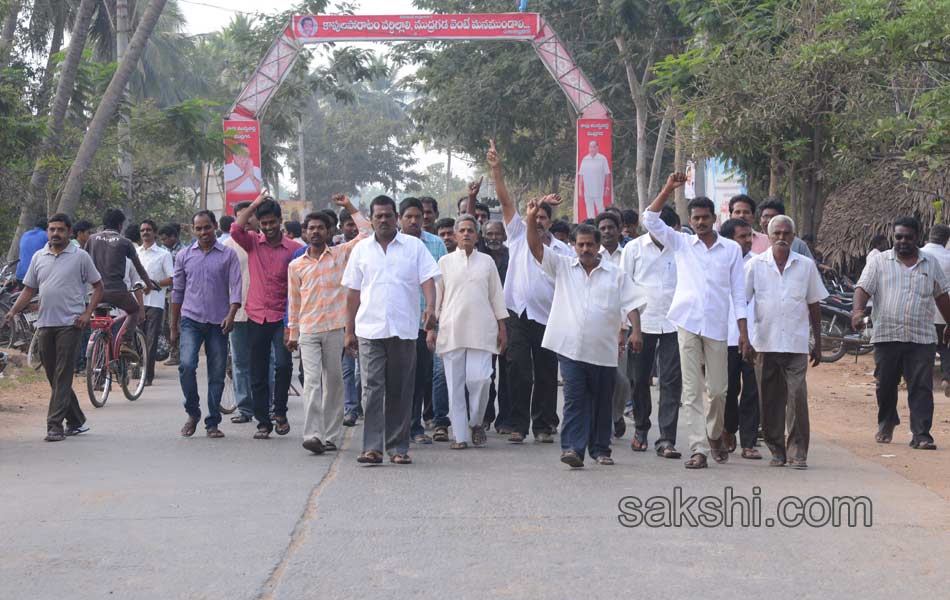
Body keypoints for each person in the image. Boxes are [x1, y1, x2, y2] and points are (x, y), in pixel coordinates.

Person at [525, 198, 644, 467]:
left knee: (602, 402)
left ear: (599, 245)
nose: (586, 249)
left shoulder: (616, 274)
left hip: (603, 350)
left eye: (590, 244)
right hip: (570, 349)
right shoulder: (563, 267)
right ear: (574, 246)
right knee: (575, 400)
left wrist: (636, 332)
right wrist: (532, 218)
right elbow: (534, 246)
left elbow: (633, 303)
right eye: (581, 245)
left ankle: (601, 450)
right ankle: (573, 449)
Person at [643, 173, 750, 469]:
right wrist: (667, 188)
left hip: (718, 326)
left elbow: (739, 294)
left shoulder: (730, 250)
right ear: (690, 220)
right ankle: (698, 448)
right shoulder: (682, 244)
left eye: (705, 217)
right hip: (687, 322)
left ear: (714, 218)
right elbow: (649, 219)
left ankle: (714, 434)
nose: (700, 222)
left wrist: (743, 333)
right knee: (691, 391)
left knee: (718, 391)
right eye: (695, 218)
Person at [342, 195, 440, 465]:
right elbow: (352, 293)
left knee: (400, 388)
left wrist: (431, 307)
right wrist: (348, 331)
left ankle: (398, 447)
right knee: (372, 388)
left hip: (404, 329)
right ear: (371, 220)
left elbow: (428, 280)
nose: (383, 220)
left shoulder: (414, 247)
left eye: (388, 215)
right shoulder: (361, 250)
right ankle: (372, 448)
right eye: (378, 216)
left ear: (396, 217)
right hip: (369, 330)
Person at [490, 139, 572, 444]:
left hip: (551, 318)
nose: (537, 222)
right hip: (516, 315)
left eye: (542, 218)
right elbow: (505, 202)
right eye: (534, 216)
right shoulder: (517, 236)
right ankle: (518, 424)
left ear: (550, 222)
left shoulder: (564, 251)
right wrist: (496, 169)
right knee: (519, 370)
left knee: (548, 373)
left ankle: (543, 425)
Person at [853, 217, 950, 451]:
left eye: (908, 236)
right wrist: (857, 311)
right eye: (899, 237)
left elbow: (942, 295)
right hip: (887, 333)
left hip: (921, 337)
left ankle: (922, 434)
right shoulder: (879, 262)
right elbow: (863, 287)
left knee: (921, 386)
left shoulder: (931, 264)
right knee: (885, 384)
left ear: (918, 237)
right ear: (893, 237)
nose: (903, 241)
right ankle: (887, 421)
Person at [4, 214, 103, 441]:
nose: (55, 233)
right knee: (52, 375)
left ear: (69, 232)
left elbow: (98, 287)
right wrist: (12, 311)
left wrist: (87, 313)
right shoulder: (39, 257)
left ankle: (55, 425)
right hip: (45, 324)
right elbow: (29, 290)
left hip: (71, 323)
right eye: (51, 229)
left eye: (60, 229)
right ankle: (76, 419)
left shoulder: (81, 257)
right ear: (47, 232)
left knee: (62, 373)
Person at [287, 195, 370, 454]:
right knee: (312, 382)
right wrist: (292, 332)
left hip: (335, 329)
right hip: (309, 330)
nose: (315, 232)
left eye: (320, 228)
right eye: (311, 228)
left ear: (329, 231)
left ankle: (331, 436)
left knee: (334, 382)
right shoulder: (296, 265)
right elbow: (294, 301)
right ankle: (312, 434)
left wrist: (348, 206)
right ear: (304, 233)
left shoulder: (341, 254)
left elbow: (366, 233)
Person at [746, 215, 827, 468]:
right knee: (769, 400)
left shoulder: (805, 265)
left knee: (797, 396)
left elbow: (814, 304)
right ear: (768, 236)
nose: (782, 238)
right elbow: (740, 303)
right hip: (765, 343)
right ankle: (777, 450)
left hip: (796, 343)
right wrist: (743, 337)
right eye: (776, 234)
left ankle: (798, 451)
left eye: (786, 234)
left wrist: (819, 341)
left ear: (793, 236)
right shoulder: (755, 266)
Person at [428, 214, 508, 449]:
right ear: (454, 235)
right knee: (454, 384)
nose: (465, 234)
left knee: (481, 380)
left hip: (483, 330)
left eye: (470, 231)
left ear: (477, 235)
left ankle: (476, 423)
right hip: (451, 329)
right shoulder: (444, 262)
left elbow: (497, 297)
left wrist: (502, 328)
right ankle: (460, 436)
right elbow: (437, 299)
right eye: (461, 230)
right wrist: (432, 329)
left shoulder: (487, 262)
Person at [230, 192, 300, 439]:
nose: (269, 227)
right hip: (256, 315)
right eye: (264, 223)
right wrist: (256, 204)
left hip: (283, 317)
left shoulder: (295, 250)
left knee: (282, 365)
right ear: (259, 224)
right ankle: (263, 421)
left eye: (272, 222)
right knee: (257, 370)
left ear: (280, 221)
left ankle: (279, 412)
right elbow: (235, 228)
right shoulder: (251, 242)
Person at [171, 211, 241, 438]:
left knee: (217, 373)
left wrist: (232, 314)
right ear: (193, 230)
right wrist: (173, 326)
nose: (203, 232)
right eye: (199, 228)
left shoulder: (228, 255)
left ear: (215, 227)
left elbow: (236, 287)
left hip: (219, 321)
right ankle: (193, 412)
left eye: (207, 227)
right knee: (187, 366)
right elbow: (177, 292)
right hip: (191, 319)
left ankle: (212, 422)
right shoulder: (183, 256)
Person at [621, 205, 682, 458]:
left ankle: (667, 438)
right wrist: (628, 328)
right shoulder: (633, 249)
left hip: (675, 324)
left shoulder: (680, 248)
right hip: (641, 325)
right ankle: (641, 429)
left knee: (670, 382)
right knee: (638, 379)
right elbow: (624, 287)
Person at [399, 197, 451, 444]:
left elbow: (441, 285)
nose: (413, 221)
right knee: (397, 377)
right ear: (400, 219)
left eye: (417, 217)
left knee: (419, 375)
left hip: (423, 322)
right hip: (397, 321)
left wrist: (434, 325)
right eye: (408, 217)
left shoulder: (435, 244)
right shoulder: (390, 244)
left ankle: (414, 427)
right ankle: (397, 426)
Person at [84, 209, 155, 359]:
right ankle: (125, 342)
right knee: (134, 310)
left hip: (96, 293)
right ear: (120, 225)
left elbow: (83, 261)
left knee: (101, 324)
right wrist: (148, 284)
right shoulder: (125, 242)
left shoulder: (92, 239)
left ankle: (100, 365)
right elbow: (139, 268)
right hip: (117, 292)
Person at [718, 218, 761, 459]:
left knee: (753, 391)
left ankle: (748, 442)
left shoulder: (758, 264)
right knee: (728, 389)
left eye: (749, 236)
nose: (747, 241)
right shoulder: (718, 264)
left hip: (755, 337)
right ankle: (728, 429)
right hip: (725, 338)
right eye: (741, 237)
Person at [595, 211, 629, 438]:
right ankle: (602, 422)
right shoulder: (589, 254)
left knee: (622, 379)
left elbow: (631, 292)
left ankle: (616, 414)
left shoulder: (628, 255)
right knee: (599, 377)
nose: (607, 231)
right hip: (596, 325)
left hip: (623, 326)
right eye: (603, 228)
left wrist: (624, 327)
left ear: (619, 230)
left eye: (610, 227)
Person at [222, 201, 256, 424]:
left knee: (267, 360)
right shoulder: (225, 246)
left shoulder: (262, 243)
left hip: (263, 310)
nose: (247, 220)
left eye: (250, 215)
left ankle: (269, 405)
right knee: (241, 362)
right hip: (236, 311)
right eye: (242, 216)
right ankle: (245, 408)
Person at [478, 219, 511, 432]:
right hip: (483, 321)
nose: (493, 238)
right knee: (485, 373)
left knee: (509, 373)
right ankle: (485, 416)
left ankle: (506, 420)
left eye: (497, 234)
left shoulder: (512, 255)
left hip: (510, 320)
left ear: (505, 235)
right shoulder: (480, 256)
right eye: (489, 234)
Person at [137, 220, 174, 386]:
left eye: (148, 230)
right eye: (143, 230)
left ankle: (148, 375)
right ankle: (137, 369)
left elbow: (172, 279)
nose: (145, 233)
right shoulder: (135, 253)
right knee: (137, 338)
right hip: (137, 302)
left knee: (151, 339)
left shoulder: (163, 254)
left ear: (155, 233)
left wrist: (152, 285)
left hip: (155, 302)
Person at [922, 225, 950, 396]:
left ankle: (921, 381)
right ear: (946, 240)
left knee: (924, 348)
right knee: (946, 346)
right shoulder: (948, 256)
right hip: (945, 310)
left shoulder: (918, 254)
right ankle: (946, 378)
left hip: (923, 310)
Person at [578, 140, 611, 220]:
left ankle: (602, 226)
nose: (592, 149)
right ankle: (591, 227)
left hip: (598, 190)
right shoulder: (585, 159)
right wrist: (580, 188)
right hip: (587, 190)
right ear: (588, 148)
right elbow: (581, 175)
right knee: (590, 211)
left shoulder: (602, 159)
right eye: (590, 147)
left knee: (600, 210)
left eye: (593, 147)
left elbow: (607, 174)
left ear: (597, 148)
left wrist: (607, 188)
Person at [15, 217, 49, 284]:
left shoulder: (25, 234)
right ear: (47, 228)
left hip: (19, 275)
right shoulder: (46, 236)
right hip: (34, 277)